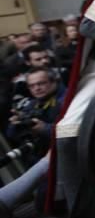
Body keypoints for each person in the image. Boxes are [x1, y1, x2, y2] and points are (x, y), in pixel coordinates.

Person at [0, 69, 65, 209]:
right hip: (42, 159)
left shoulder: (66, 100)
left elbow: (74, 131)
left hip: (65, 158)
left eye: (41, 83)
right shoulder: (32, 105)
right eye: (32, 85)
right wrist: (16, 124)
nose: (37, 88)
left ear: (54, 82)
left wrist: (45, 129)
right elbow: (12, 135)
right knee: (43, 203)